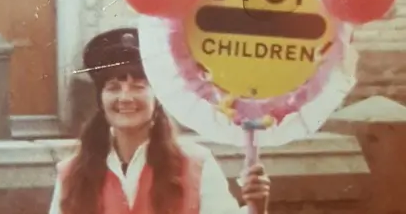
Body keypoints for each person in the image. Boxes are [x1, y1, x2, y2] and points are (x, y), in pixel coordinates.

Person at [48, 27, 271, 214]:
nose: (125, 98)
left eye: (138, 86)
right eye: (113, 88)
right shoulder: (71, 174)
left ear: (159, 98)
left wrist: (256, 207)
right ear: (100, 99)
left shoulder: (195, 165)